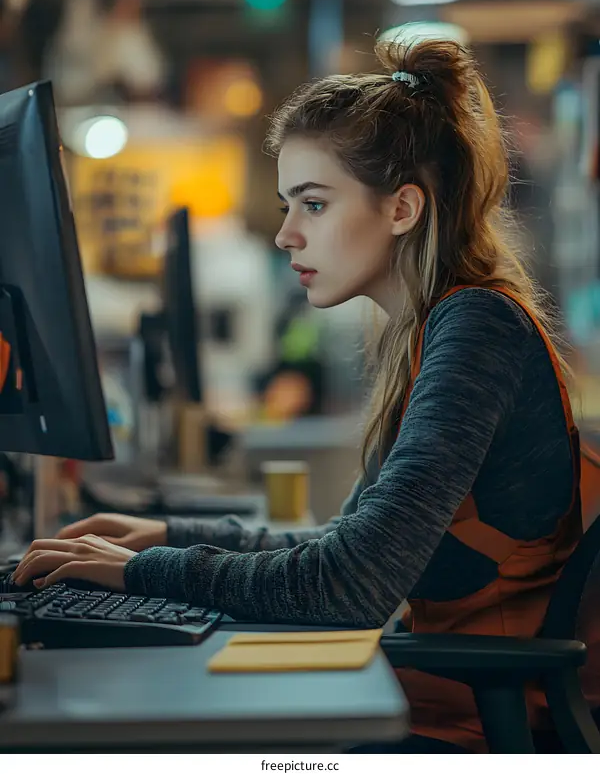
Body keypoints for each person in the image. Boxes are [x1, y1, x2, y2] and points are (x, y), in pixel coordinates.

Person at [13, 39, 590, 752]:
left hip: (463, 732)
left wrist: (139, 571)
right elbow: (347, 548)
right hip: (440, 708)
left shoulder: (477, 331)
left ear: (403, 207)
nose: (286, 234)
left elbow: (348, 584)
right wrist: (164, 535)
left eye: (313, 204)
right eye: (290, 204)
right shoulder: (438, 331)